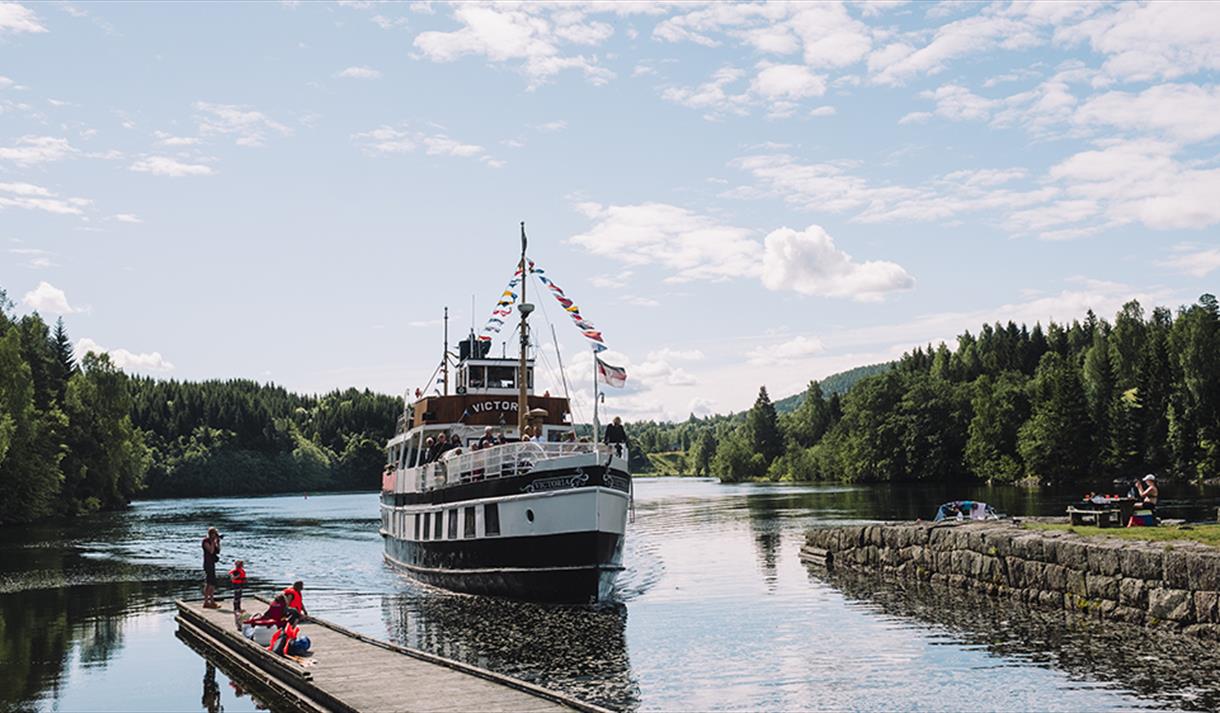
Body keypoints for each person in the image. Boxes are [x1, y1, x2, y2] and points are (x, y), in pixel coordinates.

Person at [201, 527, 222, 609]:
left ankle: (210, 601)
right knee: (210, 583)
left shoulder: (212, 541)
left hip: (212, 563)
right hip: (207, 563)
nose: (215, 535)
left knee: (211, 583)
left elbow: (218, 551)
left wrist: (218, 542)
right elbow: (211, 551)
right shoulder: (205, 541)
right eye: (214, 534)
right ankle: (208, 601)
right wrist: (213, 542)